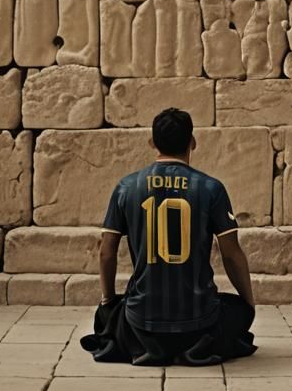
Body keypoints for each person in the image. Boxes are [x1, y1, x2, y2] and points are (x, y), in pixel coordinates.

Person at [81, 108, 257, 366]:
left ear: (152, 142)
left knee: (111, 312)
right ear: (192, 142)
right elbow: (231, 254)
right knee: (236, 310)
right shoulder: (212, 188)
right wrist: (249, 303)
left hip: (141, 321)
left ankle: (148, 345)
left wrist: (107, 301)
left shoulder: (126, 187)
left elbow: (106, 252)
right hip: (199, 321)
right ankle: (193, 347)